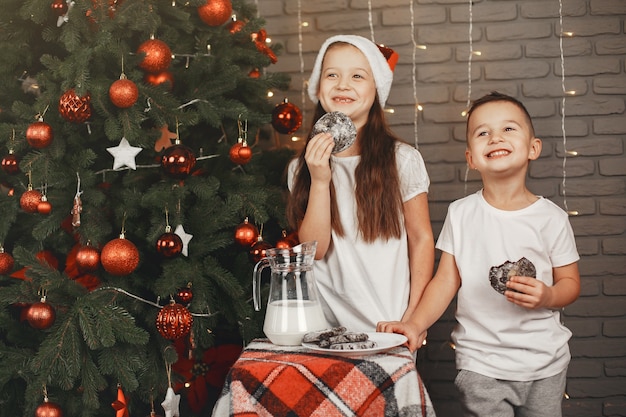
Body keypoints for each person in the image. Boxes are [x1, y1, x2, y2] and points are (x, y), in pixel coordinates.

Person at [377, 91, 581, 417]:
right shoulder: (461, 214)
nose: (495, 137)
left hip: (545, 362)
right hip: (480, 363)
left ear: (533, 148)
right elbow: (445, 281)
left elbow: (571, 283)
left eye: (508, 129)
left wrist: (548, 295)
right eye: (483, 132)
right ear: (471, 158)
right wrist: (415, 324)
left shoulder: (551, 218)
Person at [285, 34, 434, 332]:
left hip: (388, 323)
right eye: (332, 75)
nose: (343, 84)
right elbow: (314, 251)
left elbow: (421, 239)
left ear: (376, 88)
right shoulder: (300, 167)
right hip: (324, 326)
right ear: (318, 88)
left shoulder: (402, 160)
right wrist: (318, 179)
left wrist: (414, 317)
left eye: (357, 75)